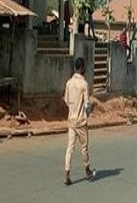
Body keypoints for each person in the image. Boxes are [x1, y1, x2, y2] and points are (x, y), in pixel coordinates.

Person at [63, 57, 95, 185]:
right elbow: (87, 104)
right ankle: (87, 171)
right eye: (84, 67)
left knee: (69, 148)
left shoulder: (69, 83)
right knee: (84, 148)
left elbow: (66, 100)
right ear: (81, 68)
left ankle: (66, 174)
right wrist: (90, 110)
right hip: (81, 121)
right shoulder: (84, 84)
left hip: (71, 120)